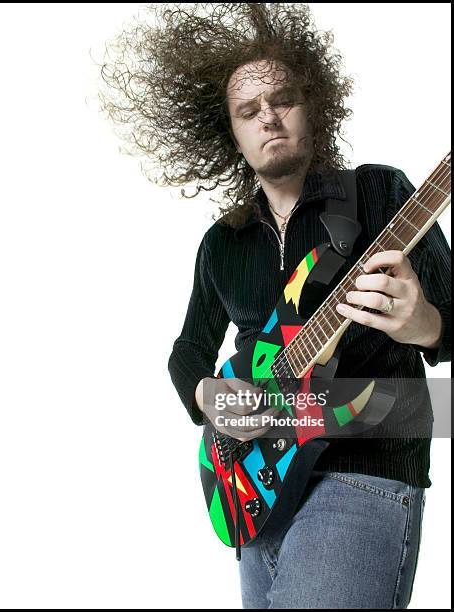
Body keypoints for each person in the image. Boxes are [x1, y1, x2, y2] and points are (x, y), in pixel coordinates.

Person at [96, 4, 451, 608]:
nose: (268, 118)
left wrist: (424, 323)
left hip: (363, 471)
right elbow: (188, 353)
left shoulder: (379, 194)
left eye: (283, 100)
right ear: (228, 131)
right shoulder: (223, 242)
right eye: (247, 111)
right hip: (255, 490)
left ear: (313, 104)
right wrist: (210, 396)